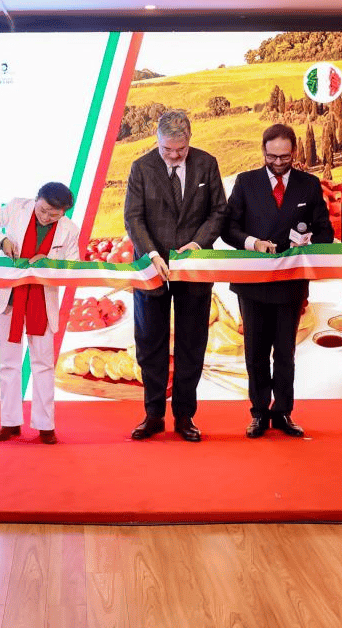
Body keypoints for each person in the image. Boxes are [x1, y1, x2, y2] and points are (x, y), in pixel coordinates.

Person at [222, 124, 333, 438]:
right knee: (255, 353)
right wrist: (253, 243)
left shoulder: (309, 185)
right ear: (263, 151)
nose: (278, 163)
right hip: (252, 284)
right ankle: (258, 414)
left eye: (285, 157)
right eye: (272, 157)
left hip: (290, 283)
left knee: (285, 353)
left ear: (294, 152)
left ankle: (283, 412)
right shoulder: (245, 182)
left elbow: (325, 231)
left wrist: (308, 243)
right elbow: (228, 230)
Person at [124, 109, 227, 442]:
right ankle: (153, 415)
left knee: (191, 344)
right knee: (150, 343)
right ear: (157, 140)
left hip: (194, 267)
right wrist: (152, 254)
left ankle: (185, 416)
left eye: (179, 150)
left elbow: (218, 211)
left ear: (189, 139)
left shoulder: (207, 164)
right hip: (151, 268)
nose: (172, 155)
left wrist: (197, 244)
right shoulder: (141, 168)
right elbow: (133, 217)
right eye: (166, 149)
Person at [0, 183, 81, 444]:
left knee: (43, 364)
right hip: (9, 297)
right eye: (43, 210)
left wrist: (49, 264)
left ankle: (45, 425)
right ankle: (9, 422)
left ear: (64, 212)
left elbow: (73, 267)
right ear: (36, 200)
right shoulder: (17, 207)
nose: (46, 217)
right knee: (8, 362)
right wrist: (2, 241)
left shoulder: (69, 229)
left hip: (41, 300)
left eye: (53, 215)